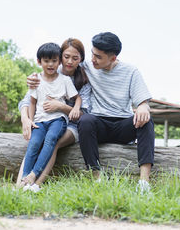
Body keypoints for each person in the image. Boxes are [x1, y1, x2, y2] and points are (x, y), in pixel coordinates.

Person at [78, 32, 154, 192]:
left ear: (112, 58)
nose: (93, 59)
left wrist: (142, 106)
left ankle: (144, 183)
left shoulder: (131, 71)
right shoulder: (87, 66)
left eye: (98, 57)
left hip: (122, 126)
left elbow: (143, 102)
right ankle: (97, 178)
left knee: (147, 121)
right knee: (85, 121)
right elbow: (61, 66)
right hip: (99, 124)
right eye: (92, 53)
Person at [18, 39, 90, 192]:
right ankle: (21, 185)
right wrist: (27, 119)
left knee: (52, 141)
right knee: (34, 142)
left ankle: (36, 183)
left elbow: (83, 113)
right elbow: (28, 101)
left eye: (75, 58)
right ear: (60, 57)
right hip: (42, 120)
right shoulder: (40, 77)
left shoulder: (81, 80)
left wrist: (61, 106)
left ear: (81, 60)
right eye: (66, 57)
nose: (69, 61)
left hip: (69, 123)